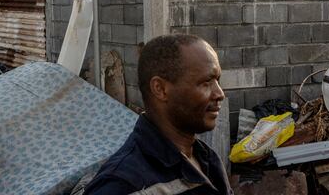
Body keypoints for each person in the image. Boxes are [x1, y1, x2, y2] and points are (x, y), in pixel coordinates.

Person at [84, 34, 232, 195]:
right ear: (160, 89)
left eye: (218, 80)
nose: (220, 93)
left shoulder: (208, 160)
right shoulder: (123, 184)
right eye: (206, 83)